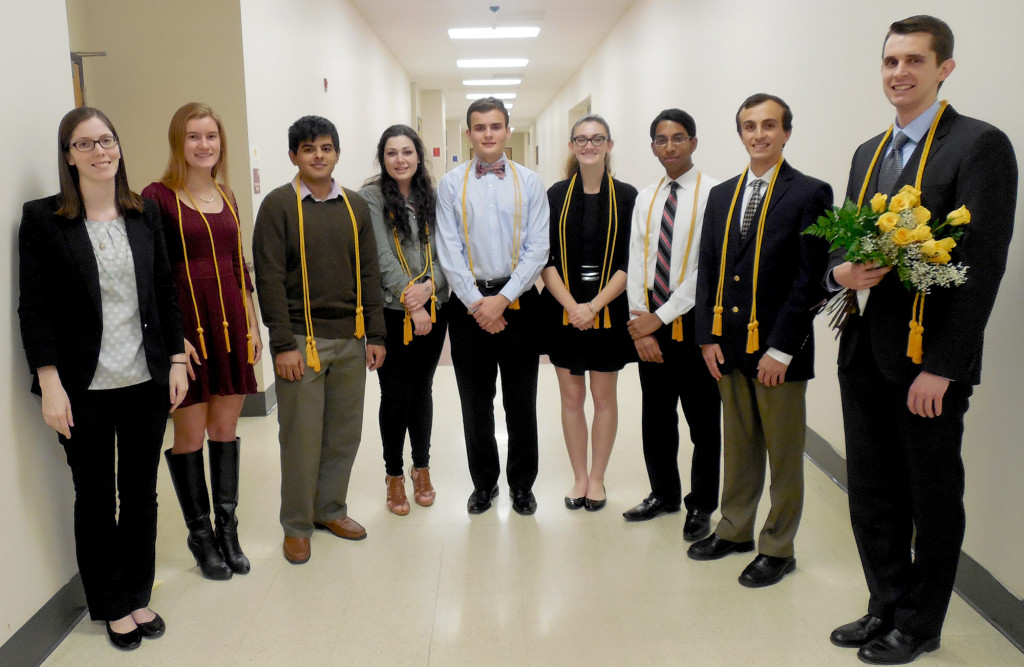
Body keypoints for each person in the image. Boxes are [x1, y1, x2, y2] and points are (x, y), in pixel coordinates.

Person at [827, 16, 1016, 665]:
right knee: (872, 489)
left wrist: (944, 365)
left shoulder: (979, 145)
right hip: (863, 351)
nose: (898, 73)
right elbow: (846, 247)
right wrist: (840, 273)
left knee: (930, 494)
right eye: (889, 61)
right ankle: (883, 602)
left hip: (926, 362)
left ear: (944, 69)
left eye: (913, 60)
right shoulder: (868, 152)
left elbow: (981, 266)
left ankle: (921, 619)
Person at [18, 107, 188, 650]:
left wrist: (178, 362)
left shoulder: (142, 215)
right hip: (81, 388)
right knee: (94, 497)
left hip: (144, 380)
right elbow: (35, 308)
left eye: (107, 140)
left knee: (140, 492)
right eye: (85, 143)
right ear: (68, 154)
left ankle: (137, 596)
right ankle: (110, 605)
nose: (99, 151)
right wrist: (48, 382)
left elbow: (166, 291)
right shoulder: (45, 219)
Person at [690, 94, 832, 588]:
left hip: (778, 349)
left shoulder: (809, 192)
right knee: (740, 444)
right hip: (728, 344)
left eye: (769, 125)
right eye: (749, 126)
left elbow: (810, 278)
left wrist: (782, 348)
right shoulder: (722, 194)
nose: (759, 134)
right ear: (740, 134)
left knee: (783, 452)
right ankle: (733, 530)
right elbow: (707, 267)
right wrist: (706, 336)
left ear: (787, 132)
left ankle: (778, 546)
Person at [253, 115, 386, 564]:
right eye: (308, 149)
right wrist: (282, 344)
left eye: (326, 148)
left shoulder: (355, 206)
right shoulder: (278, 206)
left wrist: (375, 333)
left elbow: (368, 272)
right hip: (302, 343)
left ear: (337, 154)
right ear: (294, 155)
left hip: (350, 339)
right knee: (301, 438)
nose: (318, 155)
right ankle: (296, 525)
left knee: (343, 435)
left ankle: (330, 509)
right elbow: (269, 279)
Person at [143, 102, 261, 580]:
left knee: (226, 431)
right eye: (194, 136)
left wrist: (252, 325)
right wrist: (173, 341)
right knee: (189, 434)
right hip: (188, 331)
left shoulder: (228, 195)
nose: (204, 144)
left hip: (231, 324)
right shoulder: (157, 197)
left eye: (211, 136)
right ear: (178, 142)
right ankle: (201, 537)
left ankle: (228, 531)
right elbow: (152, 275)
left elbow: (239, 267)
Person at [435, 97, 550, 516]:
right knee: (475, 403)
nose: (488, 134)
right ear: (469, 134)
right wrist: (477, 304)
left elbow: (538, 249)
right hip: (468, 307)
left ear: (506, 130)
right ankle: (484, 484)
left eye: (496, 126)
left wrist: (502, 300)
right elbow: (448, 250)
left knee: (522, 402)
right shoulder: (450, 184)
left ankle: (522, 485)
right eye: (480, 127)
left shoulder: (531, 182)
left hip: (518, 303)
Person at [623, 108, 722, 540]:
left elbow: (708, 268)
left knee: (702, 422)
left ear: (694, 143)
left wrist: (658, 319)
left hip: (693, 327)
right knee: (656, 417)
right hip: (649, 325)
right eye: (661, 140)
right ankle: (663, 493)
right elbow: (637, 261)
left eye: (678, 138)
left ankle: (701, 505)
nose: (670, 147)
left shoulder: (714, 195)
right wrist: (637, 322)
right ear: (652, 147)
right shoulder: (647, 196)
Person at [540, 114, 637, 512]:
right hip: (563, 308)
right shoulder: (555, 195)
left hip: (608, 311)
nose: (589, 145)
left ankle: (597, 478)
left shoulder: (629, 196)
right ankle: (579, 476)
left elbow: (631, 262)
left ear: (609, 145)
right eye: (581, 139)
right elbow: (544, 260)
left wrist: (594, 306)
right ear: (571, 146)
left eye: (597, 139)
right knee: (571, 395)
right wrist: (574, 307)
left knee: (602, 395)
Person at [360, 125, 449, 515]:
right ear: (383, 158)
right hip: (393, 313)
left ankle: (421, 467)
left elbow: (451, 250)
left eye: (407, 152)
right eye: (392, 153)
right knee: (395, 394)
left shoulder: (436, 194)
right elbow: (380, 256)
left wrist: (432, 287)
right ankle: (394, 475)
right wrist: (411, 302)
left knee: (423, 390)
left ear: (418, 156)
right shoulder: (371, 198)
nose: (401, 159)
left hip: (434, 306)